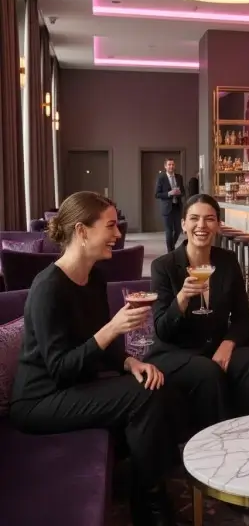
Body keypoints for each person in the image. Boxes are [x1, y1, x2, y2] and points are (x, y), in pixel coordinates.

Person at [10, 191, 178, 526]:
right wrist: (113, 328)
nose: (118, 233)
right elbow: (61, 369)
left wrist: (131, 363)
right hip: (39, 399)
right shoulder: (48, 288)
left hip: (74, 386)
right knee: (143, 397)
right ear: (81, 231)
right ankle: (151, 506)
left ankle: (149, 488)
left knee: (157, 384)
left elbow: (102, 348)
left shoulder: (94, 279)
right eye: (110, 225)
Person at [147, 193, 249, 429]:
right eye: (194, 218)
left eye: (209, 219)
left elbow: (243, 316)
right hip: (175, 352)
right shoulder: (163, 266)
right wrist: (182, 298)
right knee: (208, 372)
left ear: (218, 225)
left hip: (215, 345)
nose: (201, 225)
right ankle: (216, 442)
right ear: (183, 224)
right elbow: (162, 329)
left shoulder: (227, 261)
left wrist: (228, 344)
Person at [155, 158, 185, 252]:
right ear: (165, 166)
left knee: (178, 229)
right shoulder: (161, 178)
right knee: (169, 230)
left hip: (177, 207)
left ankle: (171, 247)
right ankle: (170, 251)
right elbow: (157, 194)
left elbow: (183, 192)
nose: (171, 166)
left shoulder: (179, 177)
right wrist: (169, 193)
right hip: (167, 208)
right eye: (169, 165)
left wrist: (179, 192)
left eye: (172, 164)